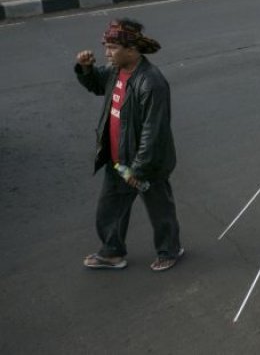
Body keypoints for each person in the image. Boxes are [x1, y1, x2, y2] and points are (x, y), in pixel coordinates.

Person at [74, 19, 183, 271]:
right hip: (117, 159)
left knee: (159, 210)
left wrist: (139, 169)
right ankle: (112, 252)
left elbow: (153, 132)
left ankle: (170, 249)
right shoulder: (115, 71)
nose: (107, 53)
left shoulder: (151, 82)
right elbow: (97, 85)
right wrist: (86, 69)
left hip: (146, 164)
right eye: (106, 46)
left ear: (131, 49)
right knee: (109, 209)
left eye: (112, 47)